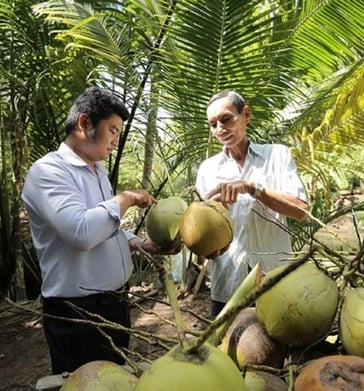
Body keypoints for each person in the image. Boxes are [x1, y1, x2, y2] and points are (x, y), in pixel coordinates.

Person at [22, 86, 179, 374]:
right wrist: (126, 199)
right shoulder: (47, 172)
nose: (115, 141)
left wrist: (139, 242)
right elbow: (81, 232)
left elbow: (106, 227)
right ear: (85, 123)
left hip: (115, 303)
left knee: (115, 379)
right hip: (78, 313)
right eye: (113, 131)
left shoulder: (98, 171)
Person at [195, 90, 309, 318]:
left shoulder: (277, 155)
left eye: (226, 119)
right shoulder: (207, 169)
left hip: (275, 282)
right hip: (227, 283)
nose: (220, 129)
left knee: (278, 349)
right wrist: (207, 237)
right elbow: (200, 239)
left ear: (246, 114)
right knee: (226, 349)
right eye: (213, 124)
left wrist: (253, 188)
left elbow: (301, 210)